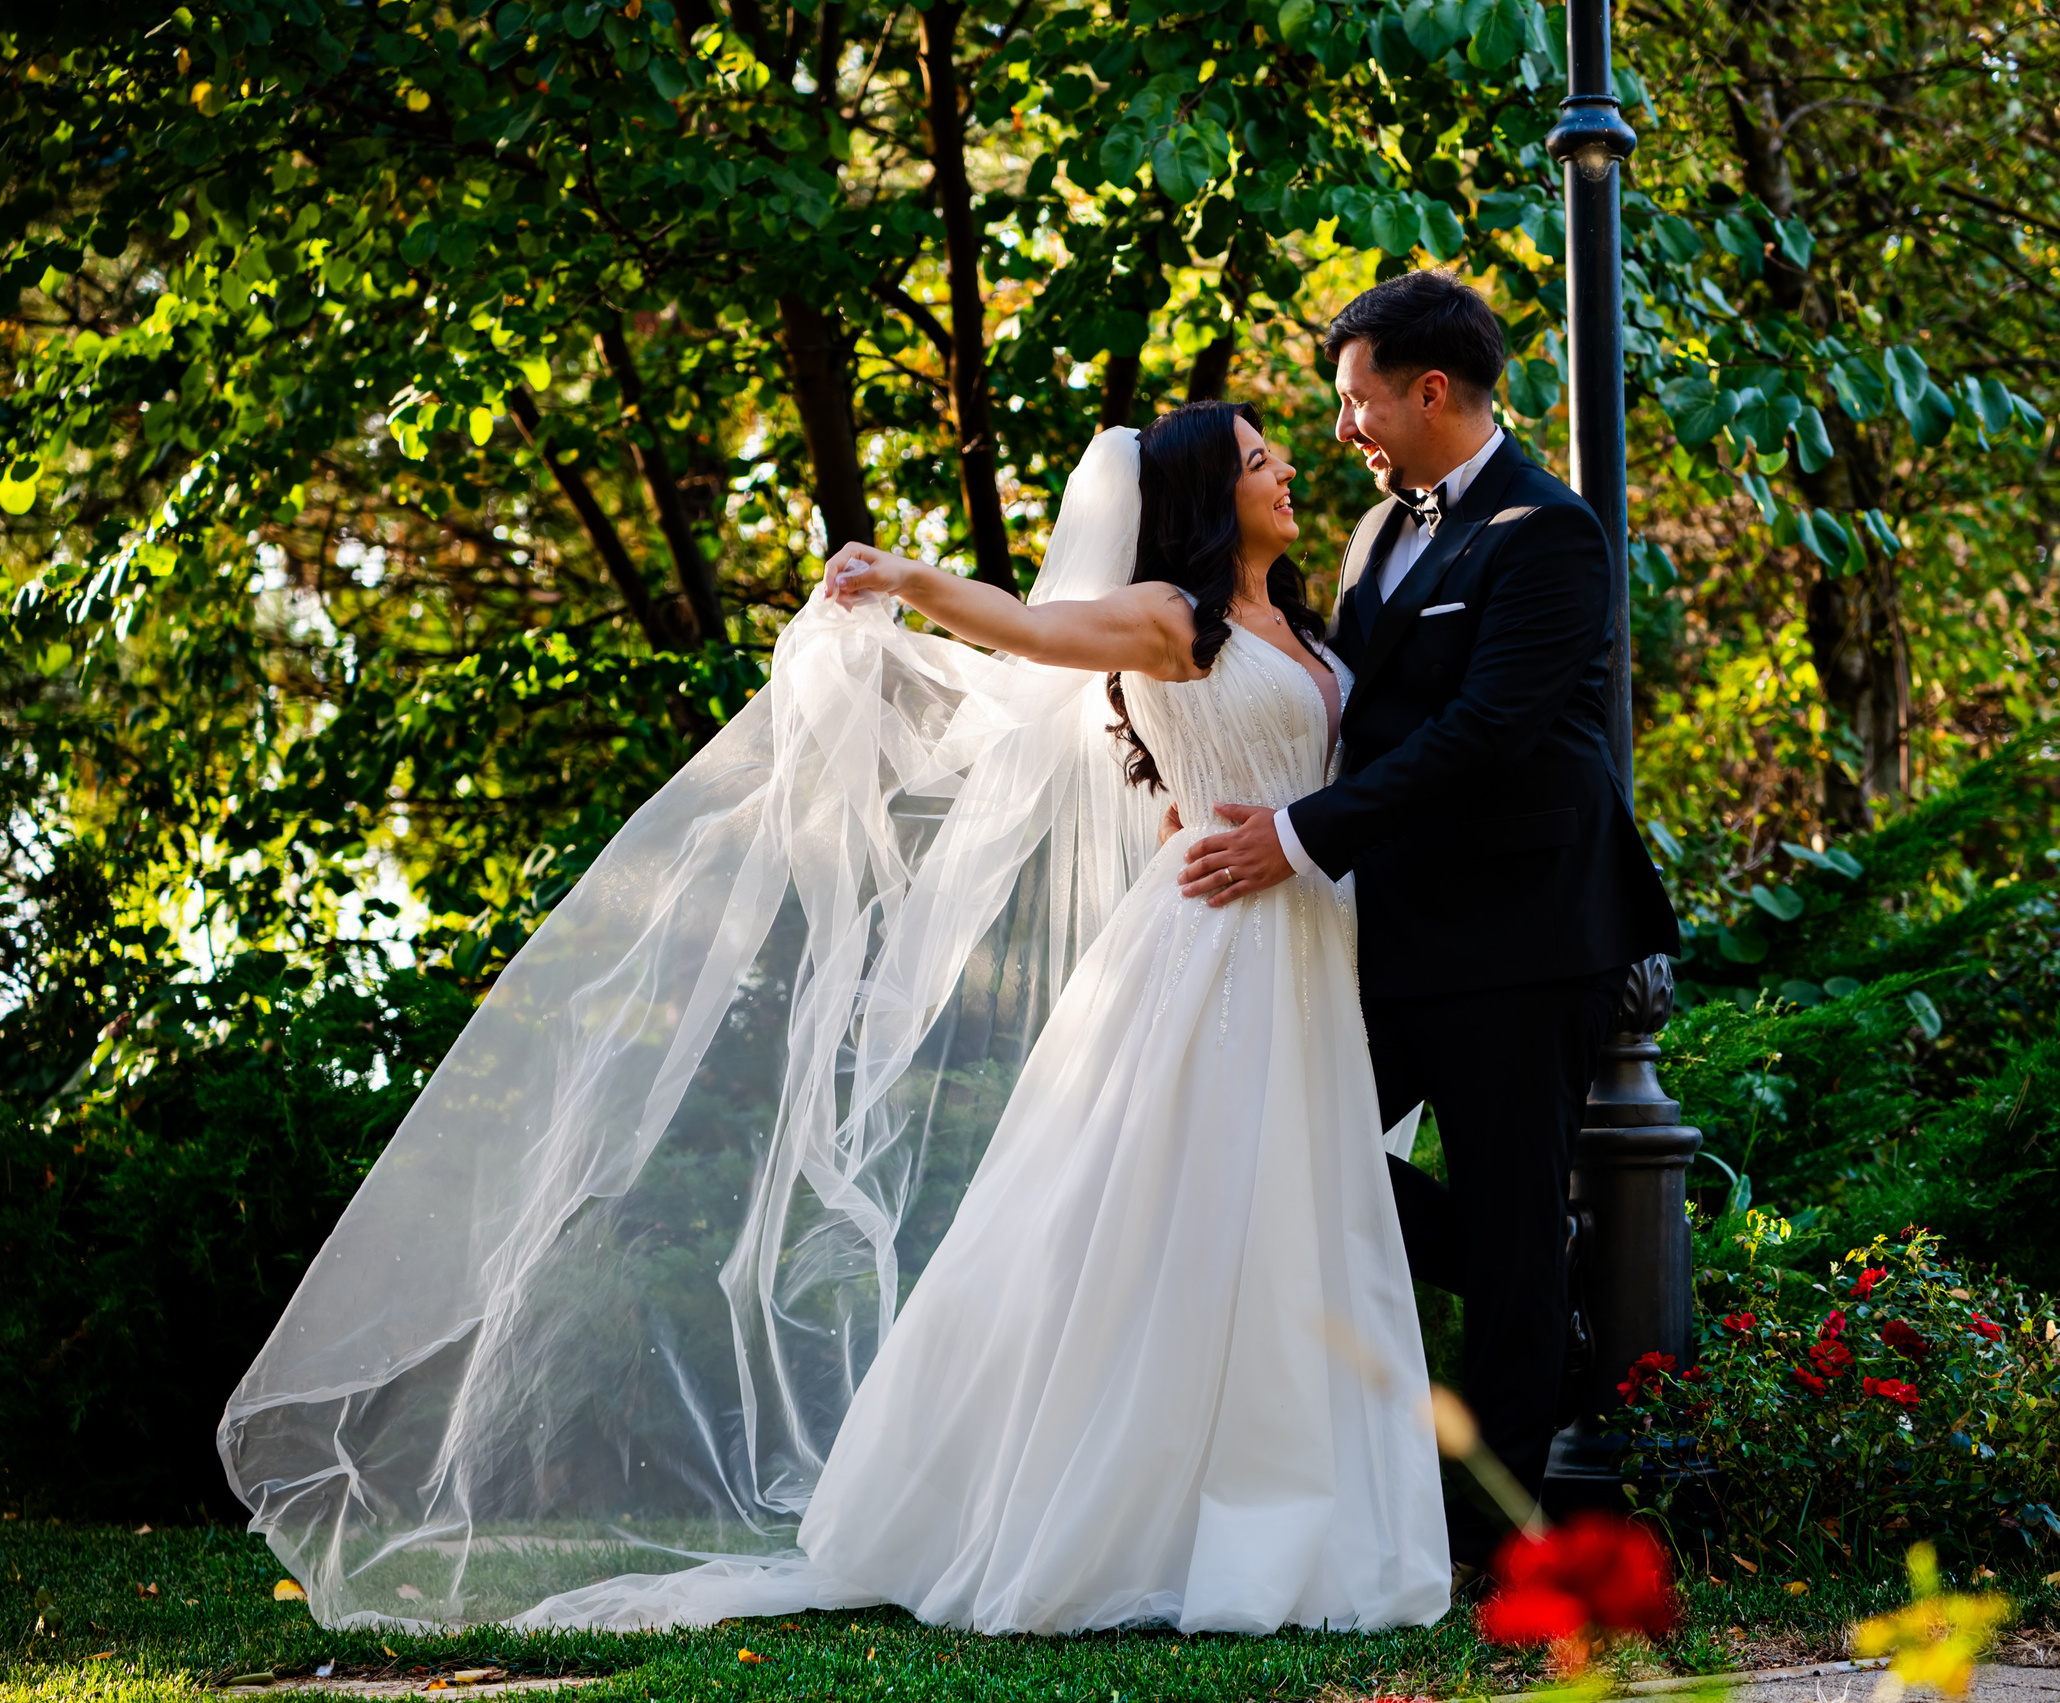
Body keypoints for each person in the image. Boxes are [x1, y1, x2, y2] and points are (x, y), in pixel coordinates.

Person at [216, 406, 1446, 1635]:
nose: (1286, 466)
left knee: (1299, 1211)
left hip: (1306, 937)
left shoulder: (1312, 625)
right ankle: (1152, 1514)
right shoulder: (1172, 618)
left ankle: (1300, 1503)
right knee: (1184, 1217)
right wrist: (906, 577)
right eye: (1256, 459)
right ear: (1203, 497)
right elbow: (1026, 628)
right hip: (1211, 946)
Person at [1177, 271, 1679, 1569]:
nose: (1343, 428)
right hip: (1391, 930)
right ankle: (1554, 1300)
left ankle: (1498, 1537)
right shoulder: (1372, 532)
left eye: (1357, 401)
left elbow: (1484, 733)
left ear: (1431, 390)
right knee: (1283, 1145)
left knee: (1510, 1225)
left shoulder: (1549, 531)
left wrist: (1297, 837)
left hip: (1526, 936)